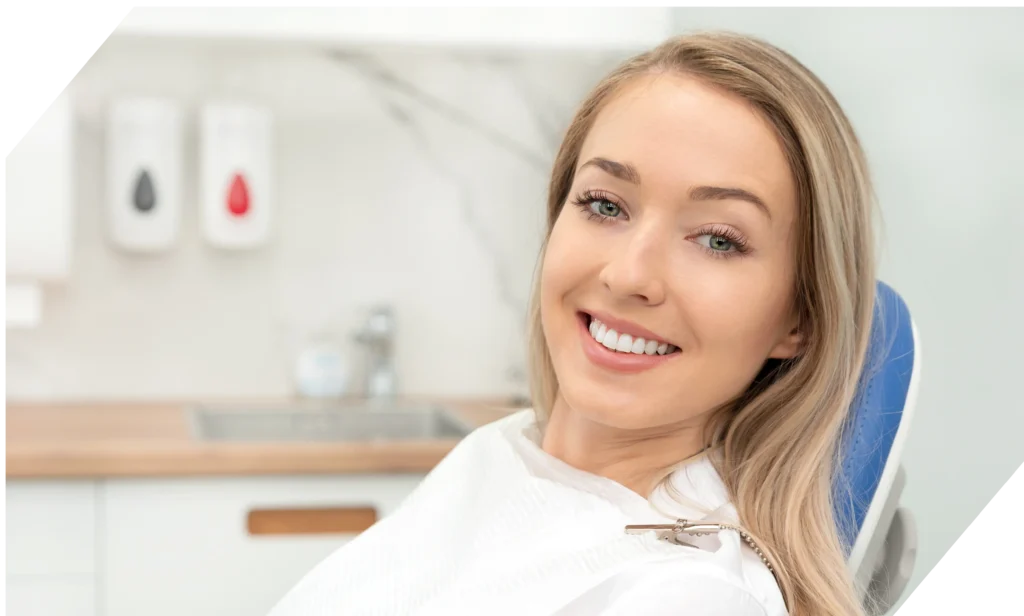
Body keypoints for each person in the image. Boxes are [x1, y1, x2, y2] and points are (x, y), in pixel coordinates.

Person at [267, 29, 878, 616]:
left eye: (717, 239)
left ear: (800, 320)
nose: (628, 274)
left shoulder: (689, 595)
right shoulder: (502, 452)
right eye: (605, 204)